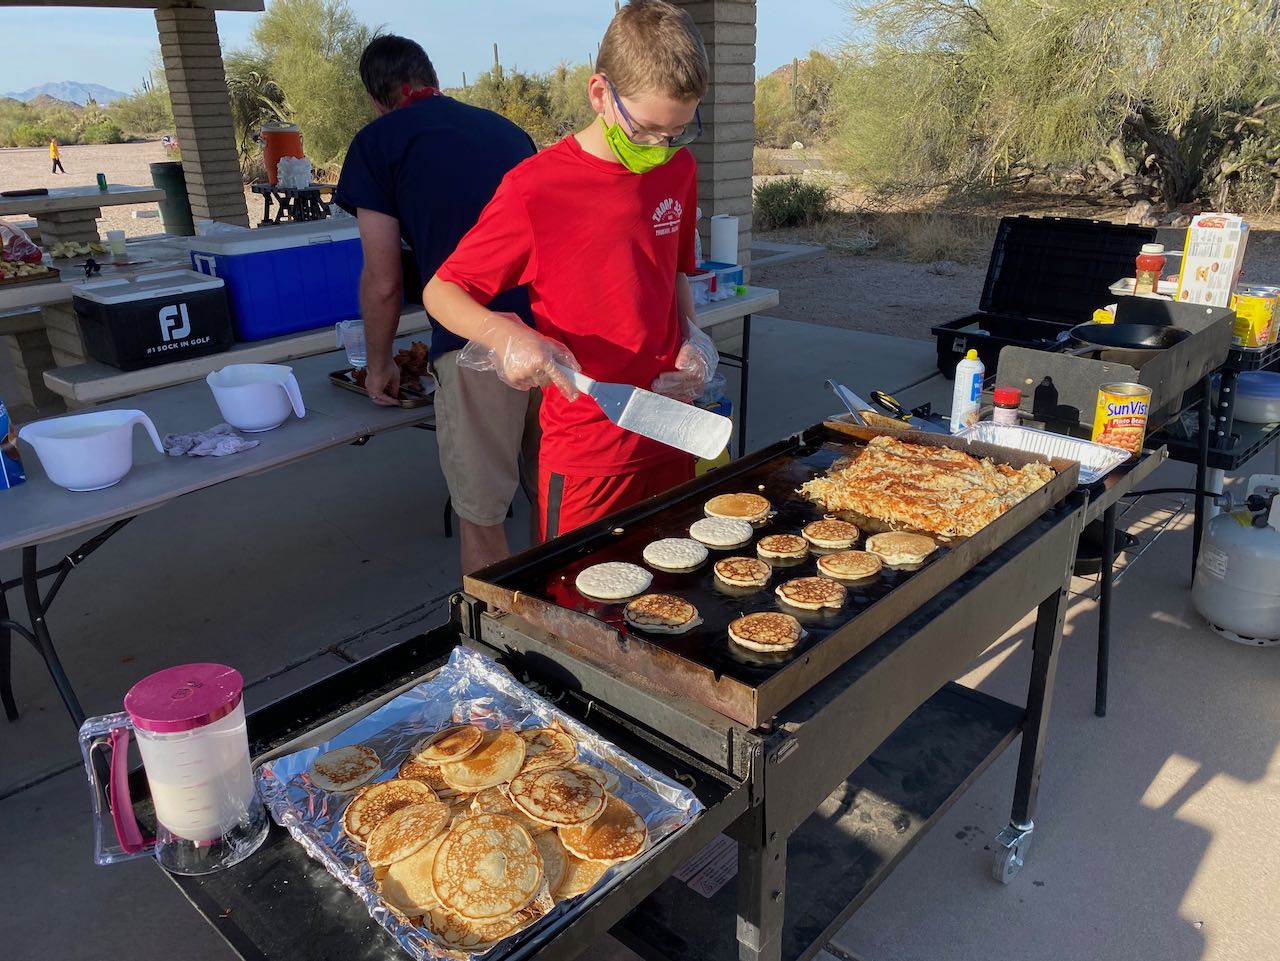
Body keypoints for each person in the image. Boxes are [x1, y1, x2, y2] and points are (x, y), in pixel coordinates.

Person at [424, 0, 717, 541]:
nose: (662, 147)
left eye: (679, 131)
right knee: (578, 610)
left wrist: (694, 339)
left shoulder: (680, 168)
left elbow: (672, 273)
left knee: (676, 598)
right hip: (590, 454)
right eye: (648, 130)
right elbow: (443, 291)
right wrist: (504, 335)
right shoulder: (537, 189)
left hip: (672, 432)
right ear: (600, 93)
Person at [335, 35, 539, 574]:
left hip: (477, 341)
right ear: (431, 80)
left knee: (482, 515)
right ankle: (570, 625)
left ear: (380, 99)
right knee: (559, 497)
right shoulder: (509, 131)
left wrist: (378, 367)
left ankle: (498, 644)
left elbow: (382, 280)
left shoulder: (379, 142)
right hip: (553, 335)